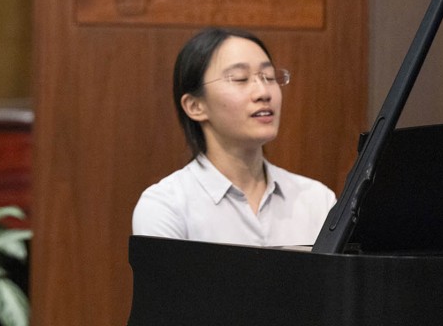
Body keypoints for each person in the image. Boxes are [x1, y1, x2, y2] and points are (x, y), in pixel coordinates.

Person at [132, 27, 336, 247]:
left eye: (268, 77)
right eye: (240, 79)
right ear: (195, 106)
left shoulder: (317, 200)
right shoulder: (167, 206)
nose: (263, 92)